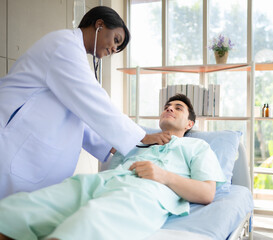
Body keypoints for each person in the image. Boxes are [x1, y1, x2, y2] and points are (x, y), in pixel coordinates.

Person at [0, 6, 171, 200]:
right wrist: (142, 136)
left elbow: (78, 114)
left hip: (29, 155)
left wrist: (111, 145)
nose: (114, 49)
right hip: (12, 139)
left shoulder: (74, 53)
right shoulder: (64, 45)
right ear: (99, 25)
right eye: (116, 40)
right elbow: (93, 100)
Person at [0, 94, 225, 240]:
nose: (170, 109)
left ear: (190, 124)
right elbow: (102, 134)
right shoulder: (140, 141)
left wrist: (164, 176)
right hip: (100, 181)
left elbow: (207, 193)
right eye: (167, 106)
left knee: (89, 222)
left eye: (178, 108)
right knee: (25, 207)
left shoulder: (197, 146)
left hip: (145, 190)